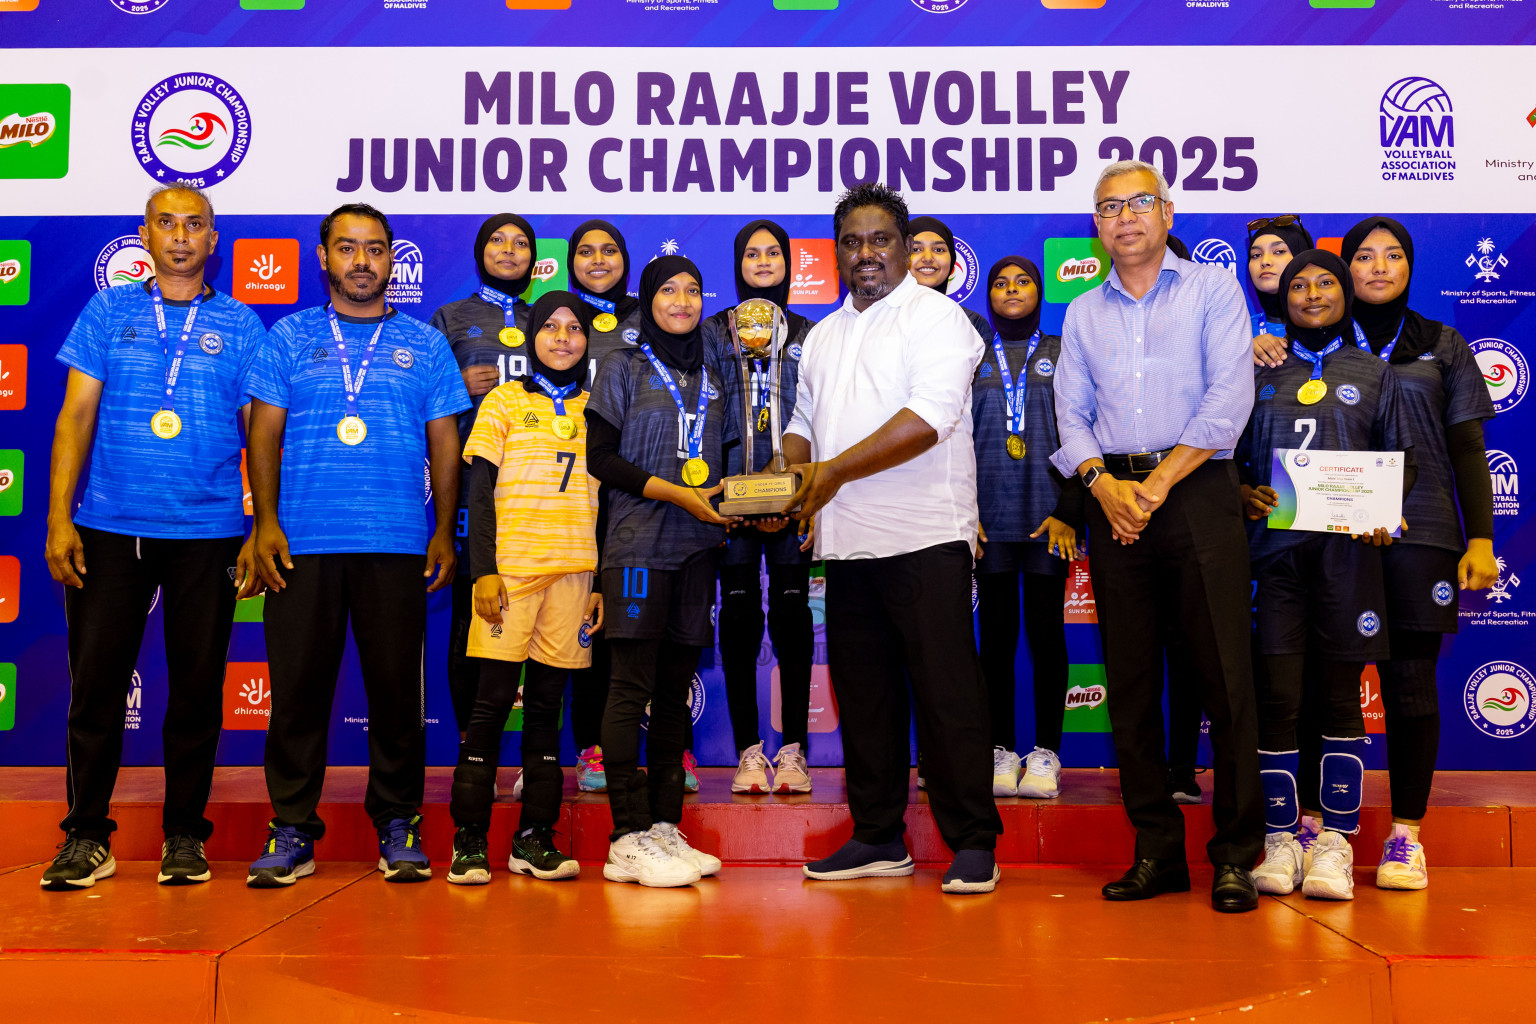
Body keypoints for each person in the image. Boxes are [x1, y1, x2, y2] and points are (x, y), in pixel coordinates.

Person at [1050, 159, 1263, 913]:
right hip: (1114, 503)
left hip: (1196, 487)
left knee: (1225, 679)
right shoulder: (1083, 313)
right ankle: (1157, 851)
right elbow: (1070, 413)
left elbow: (1228, 397)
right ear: (1096, 226)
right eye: (1110, 208)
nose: (1127, 217)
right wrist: (1102, 485)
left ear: (1167, 213)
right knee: (1132, 683)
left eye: (1141, 202)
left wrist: (1160, 482)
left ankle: (1235, 855)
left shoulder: (1212, 289)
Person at [40, 185, 266, 891]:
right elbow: (75, 416)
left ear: (213, 239)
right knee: (96, 690)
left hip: (209, 532)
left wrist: (262, 525)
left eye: (194, 225)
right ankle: (85, 836)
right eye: (167, 223)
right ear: (146, 234)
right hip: (109, 528)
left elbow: (260, 434)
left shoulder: (242, 323)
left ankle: (184, 836)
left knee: (197, 693)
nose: (180, 236)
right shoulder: (108, 310)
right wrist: (58, 517)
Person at [244, 203, 471, 888]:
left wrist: (443, 529)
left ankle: (399, 823)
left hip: (396, 541)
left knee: (398, 694)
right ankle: (291, 827)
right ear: (324, 258)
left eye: (374, 248)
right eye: (347, 248)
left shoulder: (425, 344)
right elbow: (263, 433)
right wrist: (265, 522)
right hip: (302, 542)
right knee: (297, 694)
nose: (362, 261)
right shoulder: (289, 336)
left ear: (391, 259)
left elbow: (445, 442)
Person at [785, 182, 1003, 895]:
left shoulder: (940, 319)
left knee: (947, 697)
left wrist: (829, 473)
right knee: (866, 699)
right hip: (845, 543)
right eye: (851, 242)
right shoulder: (822, 335)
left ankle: (973, 840)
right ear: (836, 253)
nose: (866, 254)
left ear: (907, 248)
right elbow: (803, 423)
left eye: (880, 239)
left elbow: (929, 418)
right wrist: (791, 476)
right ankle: (878, 835)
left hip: (926, 536)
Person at [1238, 249, 1414, 901]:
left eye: (1325, 283)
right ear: (1282, 300)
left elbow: (1404, 458)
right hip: (1275, 558)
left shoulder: (1375, 372)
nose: (1311, 294)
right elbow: (1225, 453)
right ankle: (1282, 838)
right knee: (1278, 696)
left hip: (1348, 559)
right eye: (1298, 286)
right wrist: (1241, 493)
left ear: (1345, 293)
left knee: (1340, 698)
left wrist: (1385, 510)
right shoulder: (1258, 368)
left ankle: (1336, 842)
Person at [584, 255, 736, 887]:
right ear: (647, 300)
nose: (682, 300)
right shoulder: (622, 365)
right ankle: (626, 836)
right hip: (637, 547)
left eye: (693, 289)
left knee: (674, 691)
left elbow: (728, 453)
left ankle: (665, 827)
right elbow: (600, 458)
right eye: (668, 290)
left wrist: (741, 498)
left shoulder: (717, 373)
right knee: (630, 688)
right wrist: (675, 493)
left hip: (698, 547)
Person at [446, 291, 603, 885]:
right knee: (489, 707)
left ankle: (534, 837)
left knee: (545, 711)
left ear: (587, 339)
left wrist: (600, 581)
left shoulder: (599, 409)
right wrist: (483, 570)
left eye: (574, 328)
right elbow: (479, 493)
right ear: (532, 336)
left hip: (574, 573)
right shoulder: (503, 401)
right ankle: (468, 839)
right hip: (509, 574)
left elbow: (610, 502)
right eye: (550, 327)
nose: (563, 338)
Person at [704, 219, 817, 795]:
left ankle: (794, 751)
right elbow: (699, 414)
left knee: (794, 622)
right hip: (730, 501)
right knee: (740, 621)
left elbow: (823, 412)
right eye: (753, 253)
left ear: (789, 264)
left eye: (774, 252)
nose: (764, 261)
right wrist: (722, 493)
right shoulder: (711, 332)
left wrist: (805, 490)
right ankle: (749, 752)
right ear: (738, 264)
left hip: (794, 498)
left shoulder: (810, 332)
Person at [971, 255, 1083, 801]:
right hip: (989, 517)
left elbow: (1085, 431)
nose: (1011, 289)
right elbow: (952, 436)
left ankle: (1045, 753)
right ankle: (999, 750)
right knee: (995, 639)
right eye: (1000, 282)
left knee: (1045, 635)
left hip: (1049, 517)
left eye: (1022, 282)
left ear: (1039, 293)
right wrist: (963, 510)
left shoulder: (1063, 351)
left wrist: (1070, 510)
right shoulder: (971, 356)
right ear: (989, 296)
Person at [428, 214, 538, 753]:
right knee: (473, 616)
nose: (509, 250)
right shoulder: (451, 316)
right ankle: (473, 749)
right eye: (497, 240)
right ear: (480, 253)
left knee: (546, 614)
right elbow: (421, 398)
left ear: (534, 257)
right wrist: (458, 382)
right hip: (477, 485)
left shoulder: (551, 315)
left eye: (520, 243)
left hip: (543, 487)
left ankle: (538, 752)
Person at [567, 219, 644, 794]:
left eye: (610, 250)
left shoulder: (651, 315)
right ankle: (587, 748)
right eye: (586, 252)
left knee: (636, 619)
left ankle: (659, 747)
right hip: (570, 485)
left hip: (637, 484)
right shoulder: (558, 317)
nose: (598, 260)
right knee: (581, 618)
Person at [908, 216, 992, 340]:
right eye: (916, 249)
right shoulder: (884, 317)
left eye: (938, 249)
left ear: (952, 262)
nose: (928, 258)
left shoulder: (973, 324)